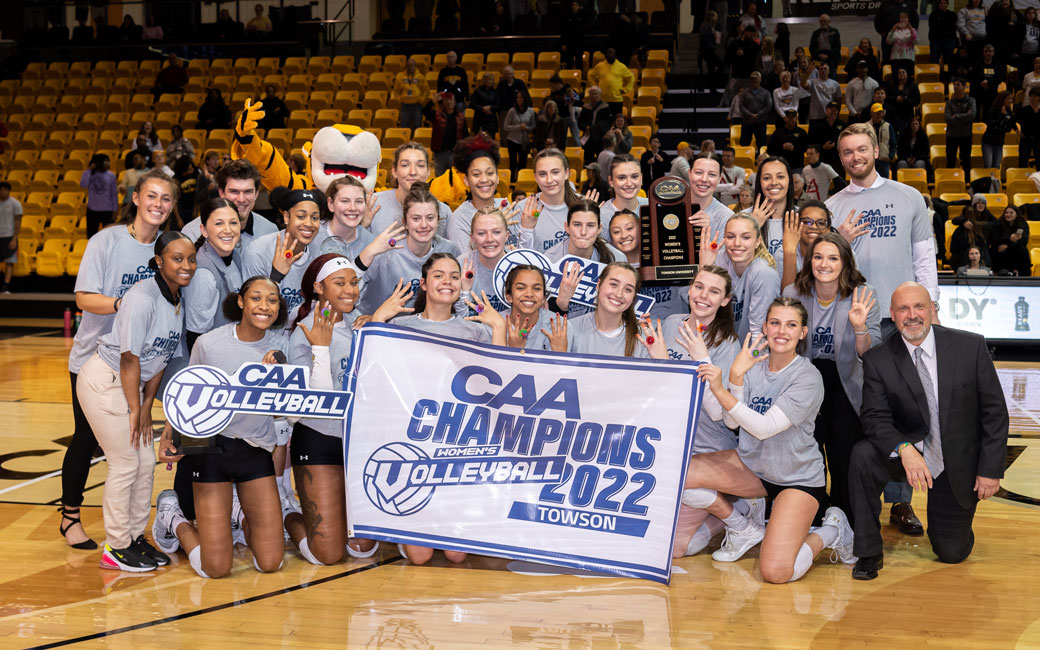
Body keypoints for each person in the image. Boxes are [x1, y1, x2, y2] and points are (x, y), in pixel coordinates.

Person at [680, 297, 856, 581]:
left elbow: (763, 428)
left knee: (776, 572)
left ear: (803, 332)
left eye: (791, 325)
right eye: (775, 323)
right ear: (764, 327)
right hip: (752, 467)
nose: (781, 331)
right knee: (679, 473)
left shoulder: (808, 376)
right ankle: (741, 524)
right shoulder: (752, 365)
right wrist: (736, 378)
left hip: (795, 478)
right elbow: (730, 422)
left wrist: (725, 382)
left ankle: (832, 531)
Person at [849, 282, 1008, 580]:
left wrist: (990, 470)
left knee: (951, 553)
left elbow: (995, 412)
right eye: (903, 309)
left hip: (956, 455)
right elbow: (874, 418)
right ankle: (868, 551)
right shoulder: (878, 359)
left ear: (932, 309)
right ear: (893, 317)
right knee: (863, 455)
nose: (912, 315)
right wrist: (904, 448)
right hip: (909, 448)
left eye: (919, 306)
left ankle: (954, 519)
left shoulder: (969, 346)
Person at [59, 172, 180, 550]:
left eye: (165, 199)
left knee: (135, 450)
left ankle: (129, 531)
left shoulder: (166, 248)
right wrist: (124, 305)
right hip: (94, 359)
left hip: (139, 365)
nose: (158, 205)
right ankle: (70, 516)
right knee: (86, 438)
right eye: (151, 196)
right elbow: (83, 298)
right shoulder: (106, 240)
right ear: (136, 198)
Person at [153, 275, 288, 579]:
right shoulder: (209, 343)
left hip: (255, 450)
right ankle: (173, 518)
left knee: (271, 562)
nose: (264, 306)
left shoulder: (283, 346)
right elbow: (187, 394)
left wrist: (277, 369)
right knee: (216, 568)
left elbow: (289, 406)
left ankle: (239, 515)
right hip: (211, 450)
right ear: (240, 302)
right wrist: (168, 433)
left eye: (272, 300)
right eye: (256, 298)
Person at [79, 230, 194, 571]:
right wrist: (134, 409)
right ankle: (115, 547)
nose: (186, 265)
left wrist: (146, 408)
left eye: (190, 258)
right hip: (107, 380)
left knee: (145, 463)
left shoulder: (176, 298)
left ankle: (133, 538)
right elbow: (130, 358)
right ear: (159, 261)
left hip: (134, 386)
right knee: (126, 462)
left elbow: (158, 360)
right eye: (177, 259)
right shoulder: (141, 297)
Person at [282, 255, 377, 565]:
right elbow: (316, 402)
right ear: (318, 287)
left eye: (354, 282)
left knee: (362, 546)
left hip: (357, 442)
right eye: (340, 283)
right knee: (328, 554)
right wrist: (320, 349)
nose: (350, 289)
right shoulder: (303, 333)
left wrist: (375, 327)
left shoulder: (359, 323)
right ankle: (288, 515)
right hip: (319, 438)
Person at [783, 232, 881, 517]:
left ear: (845, 263)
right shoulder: (793, 293)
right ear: (809, 261)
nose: (824, 264)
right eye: (818, 256)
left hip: (846, 378)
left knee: (843, 448)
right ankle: (811, 510)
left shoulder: (863, 294)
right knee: (808, 448)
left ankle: (843, 516)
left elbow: (869, 354)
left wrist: (860, 326)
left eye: (833, 258)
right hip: (805, 377)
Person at [665, 266, 745, 558]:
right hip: (671, 444)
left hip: (708, 448)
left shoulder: (727, 342)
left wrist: (702, 358)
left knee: (674, 550)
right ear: (689, 289)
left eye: (714, 291)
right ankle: (727, 511)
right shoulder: (672, 323)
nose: (703, 296)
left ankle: (737, 515)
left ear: (724, 300)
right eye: (699, 287)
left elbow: (718, 414)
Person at [358, 183, 459, 314]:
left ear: (438, 220)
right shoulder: (384, 250)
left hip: (420, 328)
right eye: (416, 218)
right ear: (405, 222)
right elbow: (353, 285)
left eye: (430, 218)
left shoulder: (449, 251)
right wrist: (369, 318)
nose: (424, 225)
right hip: (380, 327)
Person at [243, 187, 326, 329]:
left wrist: (325, 315)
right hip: (266, 334)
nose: (308, 223)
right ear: (287, 217)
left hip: (303, 333)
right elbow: (254, 309)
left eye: (315, 218)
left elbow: (326, 308)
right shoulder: (259, 251)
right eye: (301, 216)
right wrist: (276, 276)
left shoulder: (320, 253)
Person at [700, 213, 779, 340]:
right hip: (720, 345)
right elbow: (700, 309)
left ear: (757, 241)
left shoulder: (764, 274)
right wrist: (704, 268)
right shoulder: (718, 259)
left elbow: (759, 333)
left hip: (749, 351)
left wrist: (752, 357)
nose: (737, 243)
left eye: (745, 237)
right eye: (730, 237)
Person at [181, 197, 243, 349]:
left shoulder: (234, 255)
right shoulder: (203, 274)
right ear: (204, 230)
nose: (228, 230)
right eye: (218, 223)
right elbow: (196, 337)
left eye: (233, 222)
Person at [545, 200, 623, 317]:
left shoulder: (616, 258)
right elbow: (543, 318)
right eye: (577, 225)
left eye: (590, 225)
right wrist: (561, 302)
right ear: (567, 227)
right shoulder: (550, 260)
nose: (583, 232)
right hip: (563, 330)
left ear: (599, 228)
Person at [181, 159, 278, 251]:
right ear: (221, 192)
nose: (241, 199)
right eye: (234, 191)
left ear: (256, 194)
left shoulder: (270, 232)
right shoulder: (192, 232)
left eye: (248, 191)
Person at [566, 262, 652, 357]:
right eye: (614, 284)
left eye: (628, 289)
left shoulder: (644, 336)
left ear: (633, 298)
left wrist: (663, 359)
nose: (619, 294)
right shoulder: (570, 329)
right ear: (599, 285)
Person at [445, 134, 513, 251]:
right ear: (466, 180)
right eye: (476, 174)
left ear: (497, 177)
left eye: (490, 173)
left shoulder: (505, 205)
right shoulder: (460, 220)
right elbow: (467, 264)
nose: (484, 179)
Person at [370, 143, 452, 236]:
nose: (413, 172)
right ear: (394, 171)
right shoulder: (373, 204)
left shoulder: (443, 212)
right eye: (405, 165)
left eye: (420, 165)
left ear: (428, 171)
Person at [515, 148, 583, 252]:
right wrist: (526, 230)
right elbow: (518, 257)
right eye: (542, 174)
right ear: (535, 177)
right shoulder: (523, 208)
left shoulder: (583, 204)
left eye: (555, 172)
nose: (549, 180)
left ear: (566, 173)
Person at [499, 264, 569, 352]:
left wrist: (560, 353)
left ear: (544, 297)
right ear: (509, 296)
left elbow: (562, 365)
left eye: (537, 288)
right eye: (521, 288)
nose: (529, 294)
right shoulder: (494, 326)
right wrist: (515, 350)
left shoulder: (561, 327)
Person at [459, 206, 514, 314]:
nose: (489, 239)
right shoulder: (460, 265)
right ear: (472, 237)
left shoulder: (520, 265)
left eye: (496, 232)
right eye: (481, 233)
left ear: (507, 235)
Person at [778, 200, 831, 290]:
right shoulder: (782, 254)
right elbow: (787, 296)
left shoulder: (841, 253)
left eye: (821, 223)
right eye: (807, 222)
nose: (813, 227)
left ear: (828, 228)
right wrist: (790, 253)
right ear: (797, 225)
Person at [600, 154, 647, 240]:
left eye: (634, 177)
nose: (629, 183)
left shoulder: (652, 206)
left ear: (641, 178)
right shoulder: (601, 217)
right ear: (611, 181)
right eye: (621, 178)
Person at [588, 48, 635, 116]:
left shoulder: (621, 66)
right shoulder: (600, 66)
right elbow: (591, 75)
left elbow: (631, 78)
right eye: (608, 53)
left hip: (617, 100)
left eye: (612, 53)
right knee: (603, 120)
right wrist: (595, 86)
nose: (610, 55)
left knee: (616, 119)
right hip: (603, 99)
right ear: (605, 55)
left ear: (615, 55)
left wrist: (625, 89)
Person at [80, 154, 118, 236]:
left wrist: (115, 211)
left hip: (107, 211)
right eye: (105, 162)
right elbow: (83, 184)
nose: (108, 164)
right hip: (92, 210)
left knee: (108, 236)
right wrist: (89, 170)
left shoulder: (111, 175)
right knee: (91, 235)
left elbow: (114, 194)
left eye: (108, 162)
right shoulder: (89, 173)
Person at [432, 92, 469, 176]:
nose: (448, 102)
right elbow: (425, 110)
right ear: (443, 102)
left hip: (455, 153)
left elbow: (466, 136)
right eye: (446, 100)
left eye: (451, 100)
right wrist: (433, 101)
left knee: (455, 178)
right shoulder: (437, 115)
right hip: (440, 153)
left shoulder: (461, 117)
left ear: (454, 102)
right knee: (440, 179)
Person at [945, 78, 977, 177]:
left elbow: (972, 115)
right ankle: (950, 180)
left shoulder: (971, 101)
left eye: (958, 85)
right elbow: (948, 119)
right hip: (952, 136)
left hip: (965, 135)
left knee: (966, 161)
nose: (955, 87)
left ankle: (966, 182)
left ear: (964, 87)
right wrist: (964, 117)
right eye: (954, 85)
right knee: (950, 160)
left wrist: (957, 116)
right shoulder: (949, 103)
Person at [989, 205, 1031, 276]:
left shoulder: (1023, 224)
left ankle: (1016, 271)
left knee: (1021, 249)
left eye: (1011, 213)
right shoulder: (999, 223)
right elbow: (994, 239)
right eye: (1006, 213)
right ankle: (996, 272)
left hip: (1014, 249)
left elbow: (1024, 241)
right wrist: (1009, 239)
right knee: (993, 249)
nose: (1008, 215)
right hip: (1001, 249)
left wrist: (1008, 245)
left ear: (1016, 214)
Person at [503, 92, 536, 179]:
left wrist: (526, 128)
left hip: (524, 141)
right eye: (517, 98)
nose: (519, 100)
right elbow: (505, 127)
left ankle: (521, 181)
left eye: (521, 98)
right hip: (512, 140)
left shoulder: (531, 111)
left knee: (522, 163)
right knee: (513, 163)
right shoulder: (512, 111)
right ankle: (512, 181)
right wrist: (518, 127)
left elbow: (533, 126)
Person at [808, 101, 847, 175]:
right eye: (831, 109)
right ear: (826, 110)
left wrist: (837, 146)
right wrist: (823, 147)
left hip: (838, 159)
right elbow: (812, 143)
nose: (833, 112)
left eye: (835, 110)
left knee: (840, 183)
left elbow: (847, 142)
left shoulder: (843, 125)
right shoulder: (818, 126)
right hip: (823, 158)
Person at [983, 92, 1018, 170]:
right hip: (988, 142)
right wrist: (1002, 116)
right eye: (1009, 98)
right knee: (988, 165)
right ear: (1003, 99)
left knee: (997, 166)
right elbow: (991, 125)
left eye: (1011, 98)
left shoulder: (1009, 112)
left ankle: (995, 182)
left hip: (999, 143)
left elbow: (1010, 126)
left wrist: (1017, 131)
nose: (1011, 101)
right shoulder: (993, 110)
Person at [578, 86, 612, 165]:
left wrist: (593, 128)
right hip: (589, 138)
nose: (594, 96)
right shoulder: (585, 107)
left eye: (596, 94)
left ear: (600, 95)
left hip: (601, 138)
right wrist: (586, 127)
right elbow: (580, 123)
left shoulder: (606, 107)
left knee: (602, 161)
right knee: (588, 161)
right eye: (592, 94)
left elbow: (607, 123)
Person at [739, 72, 772, 149]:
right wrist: (750, 115)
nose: (754, 80)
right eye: (752, 79)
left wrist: (758, 115)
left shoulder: (766, 93)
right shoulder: (745, 92)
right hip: (747, 122)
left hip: (760, 122)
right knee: (744, 144)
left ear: (760, 79)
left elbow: (768, 106)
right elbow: (741, 105)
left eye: (756, 79)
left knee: (762, 144)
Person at [971, 45, 1005, 122]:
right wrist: (981, 82)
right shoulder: (977, 63)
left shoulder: (998, 64)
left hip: (991, 92)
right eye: (986, 51)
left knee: (988, 115)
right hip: (978, 92)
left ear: (993, 53)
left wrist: (989, 82)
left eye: (990, 51)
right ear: (983, 53)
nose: (988, 53)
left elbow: (1001, 77)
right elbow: (972, 76)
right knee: (976, 114)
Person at [548, 74, 581, 147]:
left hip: (572, 118)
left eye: (553, 86)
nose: (552, 88)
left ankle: (579, 153)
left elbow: (579, 102)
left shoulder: (568, 90)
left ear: (558, 83)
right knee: (562, 139)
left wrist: (572, 101)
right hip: (561, 118)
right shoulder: (553, 93)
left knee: (576, 138)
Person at [395, 58, 428, 131]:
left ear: (415, 66)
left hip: (417, 105)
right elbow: (396, 91)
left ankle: (417, 141)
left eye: (412, 65)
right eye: (408, 65)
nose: (410, 67)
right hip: (405, 105)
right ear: (406, 66)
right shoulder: (401, 76)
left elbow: (426, 90)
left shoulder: (420, 77)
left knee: (417, 125)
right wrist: (399, 100)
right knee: (404, 125)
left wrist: (421, 100)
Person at [0, 182, 21, 293]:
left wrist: (14, 238)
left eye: (4, 190)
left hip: (9, 236)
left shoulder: (15, 204)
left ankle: (6, 286)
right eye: (1, 190)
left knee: (9, 261)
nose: (2, 192)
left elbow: (18, 221)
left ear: (8, 191)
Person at [885, 68, 919, 138]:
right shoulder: (893, 86)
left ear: (907, 75)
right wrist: (896, 99)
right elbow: (887, 98)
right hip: (895, 113)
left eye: (903, 72)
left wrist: (905, 101)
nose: (901, 74)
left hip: (908, 114)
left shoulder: (913, 86)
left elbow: (917, 100)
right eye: (899, 73)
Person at [867, 103, 896, 179]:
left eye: (880, 113)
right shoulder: (865, 126)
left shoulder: (888, 126)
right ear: (871, 113)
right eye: (876, 113)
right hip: (870, 161)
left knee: (884, 184)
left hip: (884, 161)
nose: (879, 115)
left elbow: (893, 144)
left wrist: (890, 157)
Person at [885, 12, 917, 79]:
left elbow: (916, 41)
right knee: (896, 78)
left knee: (908, 78)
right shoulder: (895, 31)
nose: (903, 19)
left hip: (908, 58)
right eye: (901, 17)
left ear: (908, 19)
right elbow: (888, 41)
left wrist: (911, 29)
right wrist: (892, 29)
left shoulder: (912, 30)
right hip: (896, 58)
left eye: (905, 17)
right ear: (899, 19)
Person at [929, 0, 959, 74]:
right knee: (934, 60)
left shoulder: (952, 14)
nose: (943, 5)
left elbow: (953, 28)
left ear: (947, 4)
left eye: (945, 3)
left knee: (948, 61)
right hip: (936, 40)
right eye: (941, 3)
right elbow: (933, 27)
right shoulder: (934, 14)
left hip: (949, 40)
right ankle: (934, 76)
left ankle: (947, 77)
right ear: (938, 4)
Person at [471, 73, 500, 138]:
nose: (489, 81)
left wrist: (490, 107)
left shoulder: (495, 92)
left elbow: (498, 105)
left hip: (491, 120)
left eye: (491, 80)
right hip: (479, 119)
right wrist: (482, 108)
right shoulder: (477, 91)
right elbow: (472, 104)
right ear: (483, 80)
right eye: (487, 79)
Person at [1017, 88, 1040, 167]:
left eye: (1034, 96)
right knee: (1023, 162)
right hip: (1026, 139)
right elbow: (1012, 121)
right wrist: (1018, 131)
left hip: (1038, 140)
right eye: (1031, 96)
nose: (1032, 98)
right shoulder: (1024, 110)